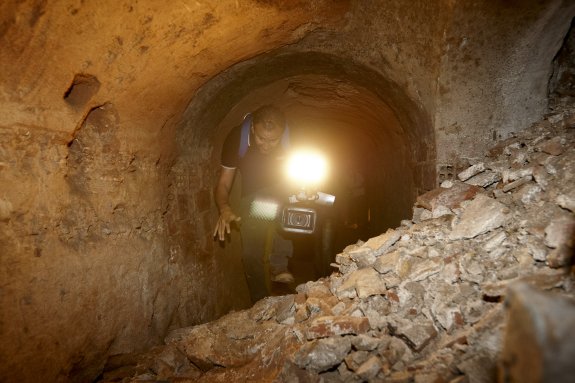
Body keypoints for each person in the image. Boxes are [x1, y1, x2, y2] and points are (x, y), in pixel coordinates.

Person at [213, 105, 294, 303]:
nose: (266, 145)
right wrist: (224, 208)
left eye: (273, 140)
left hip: (283, 189)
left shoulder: (291, 141)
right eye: (260, 138)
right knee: (250, 254)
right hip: (253, 198)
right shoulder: (236, 140)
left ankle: (279, 265)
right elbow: (224, 182)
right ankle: (260, 302)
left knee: (287, 216)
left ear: (282, 134)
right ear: (252, 129)